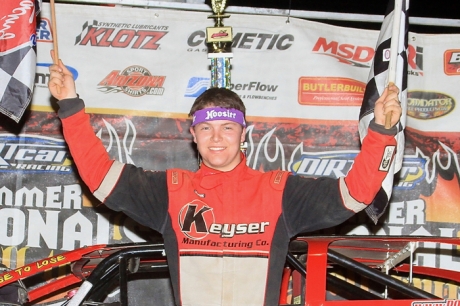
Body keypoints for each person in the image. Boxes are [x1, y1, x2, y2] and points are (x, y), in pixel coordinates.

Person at [48, 54, 402, 306]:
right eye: (207, 128)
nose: (217, 138)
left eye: (227, 128)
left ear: (243, 133)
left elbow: (356, 193)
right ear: (194, 135)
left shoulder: (278, 192)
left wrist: (382, 132)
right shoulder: (172, 191)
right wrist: (69, 106)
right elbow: (100, 177)